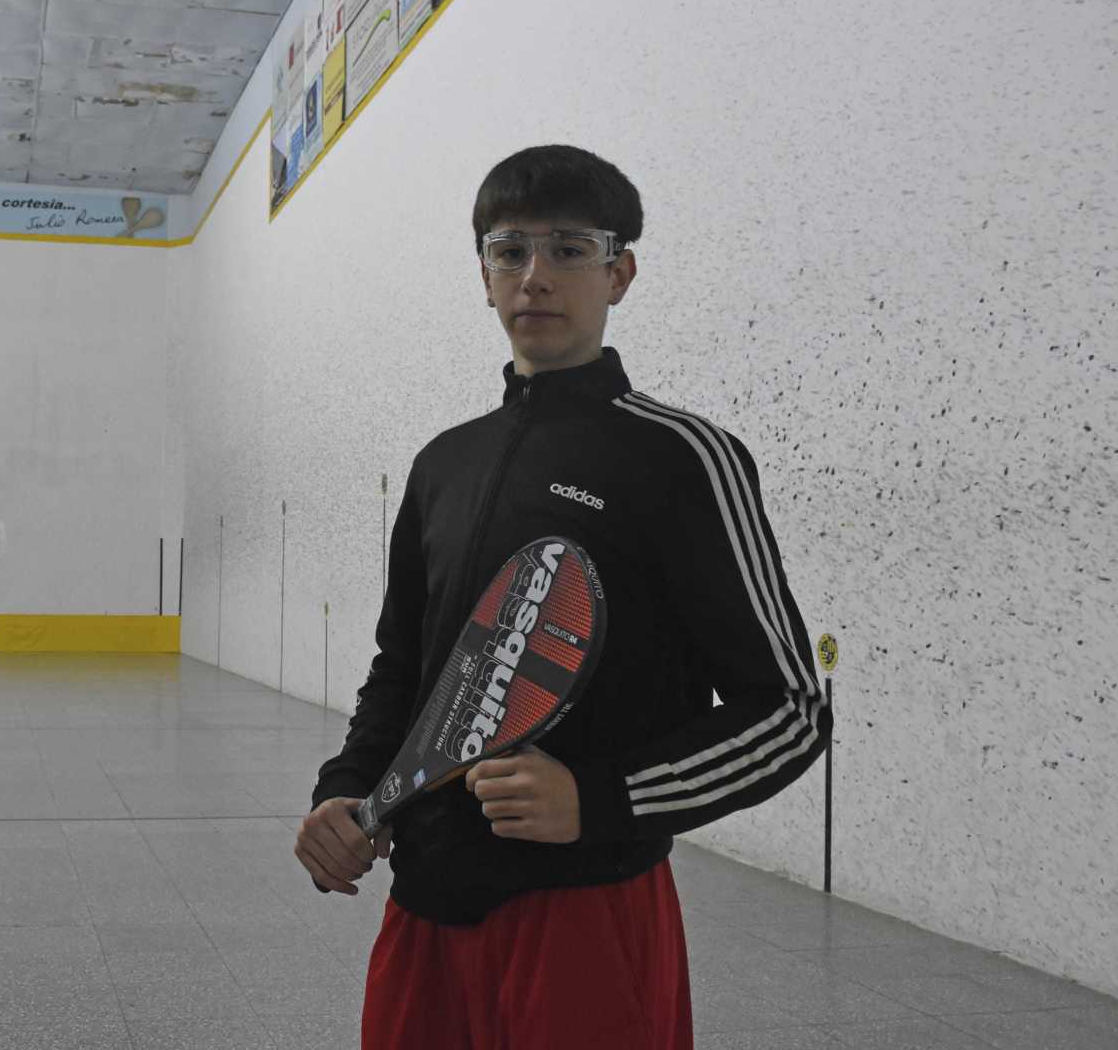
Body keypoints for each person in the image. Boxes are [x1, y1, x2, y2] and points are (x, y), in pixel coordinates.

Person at [294, 145, 831, 1049]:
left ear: (620, 272)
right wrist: (349, 792)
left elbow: (789, 713)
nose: (535, 276)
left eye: (570, 249)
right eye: (510, 251)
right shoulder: (443, 464)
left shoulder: (684, 459)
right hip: (424, 910)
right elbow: (405, 670)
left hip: (588, 923)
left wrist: (600, 800)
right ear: (483, 275)